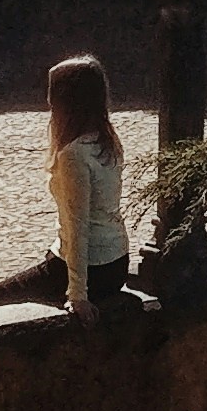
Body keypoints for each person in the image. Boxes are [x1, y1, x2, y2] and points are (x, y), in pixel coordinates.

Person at [45, 56, 151, 326]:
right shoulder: (108, 142)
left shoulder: (73, 155)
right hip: (116, 262)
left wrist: (78, 294)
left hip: (92, 269)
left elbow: (77, 225)